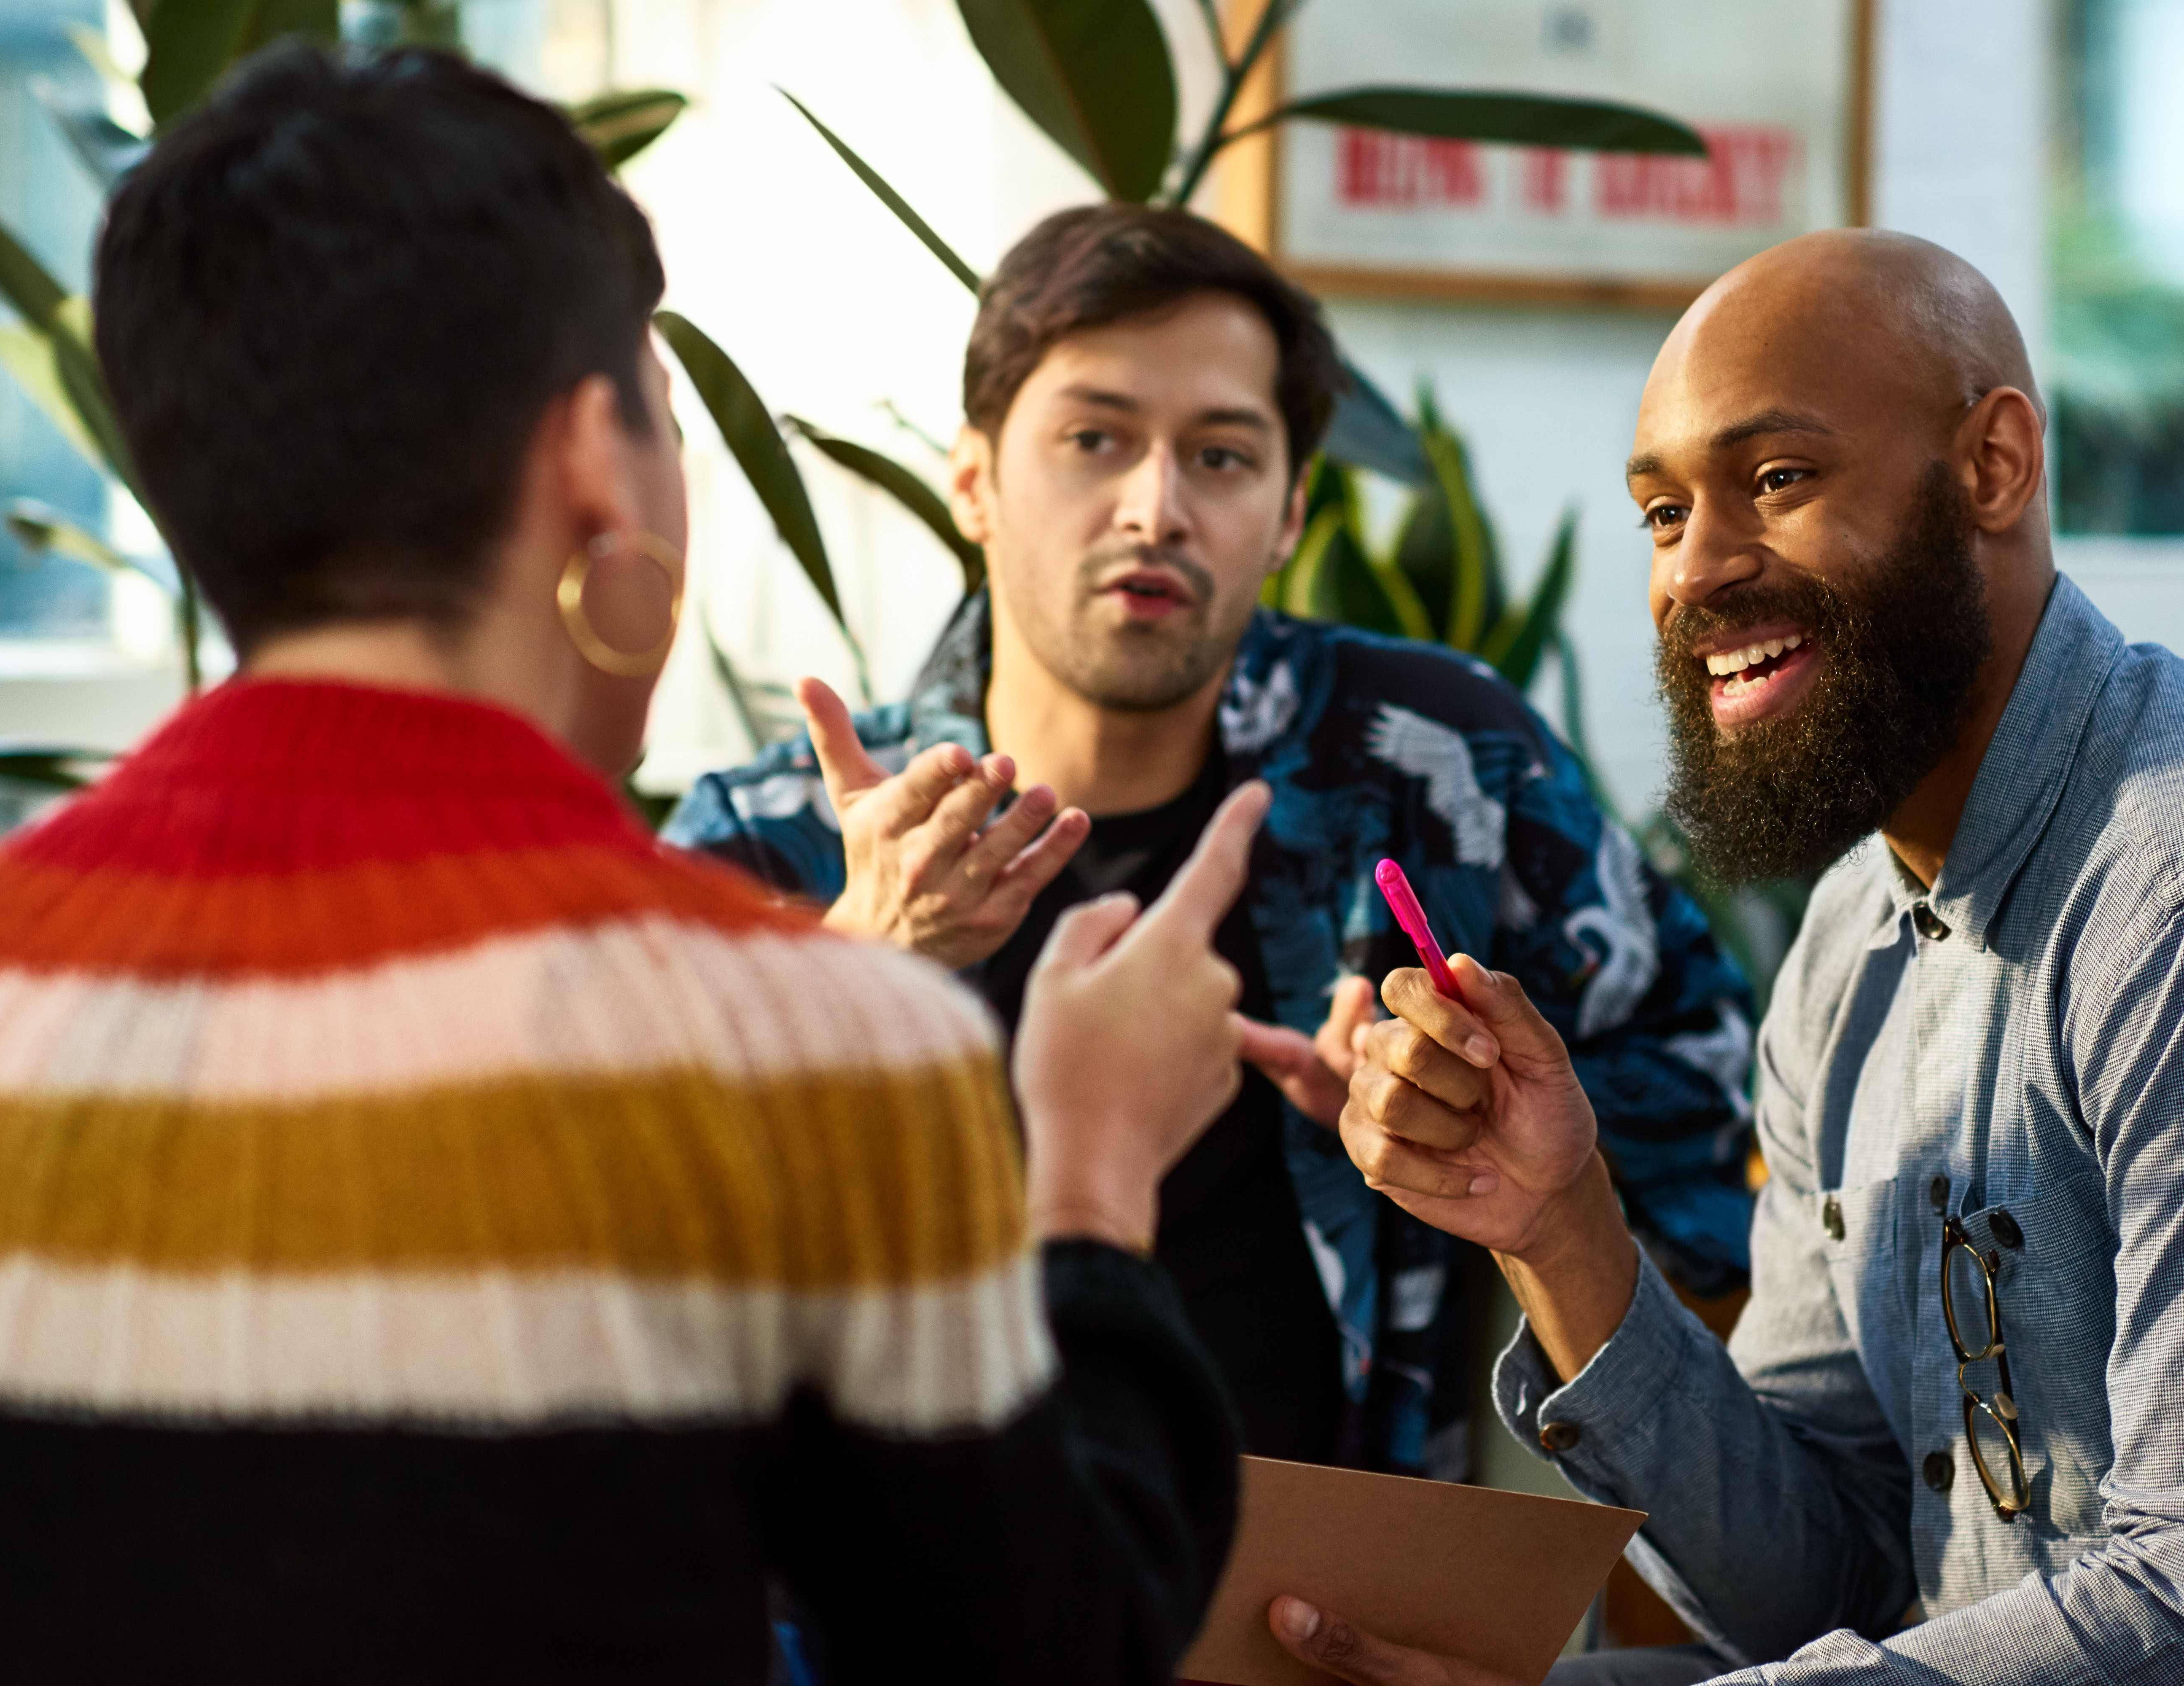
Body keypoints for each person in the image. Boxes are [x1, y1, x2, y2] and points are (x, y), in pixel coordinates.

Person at [0, 48, 1253, 1685]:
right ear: (592, 469)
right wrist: (1090, 1172)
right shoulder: (814, 1039)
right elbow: (1047, 1652)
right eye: (670, 426)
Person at [1262, 230, 2184, 1684]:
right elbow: (1831, 1584)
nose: (1697, 570)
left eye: (1776, 482)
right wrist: (1562, 1232)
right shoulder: (1848, 949)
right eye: (1663, 514)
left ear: (1993, 466)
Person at [664, 204, 1761, 1476]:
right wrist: (853, 966)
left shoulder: (1434, 764)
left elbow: (1711, 1087)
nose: (1155, 508)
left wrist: (1478, 1119)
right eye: (1094, 439)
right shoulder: (777, 839)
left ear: (1292, 511)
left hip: (1331, 1614)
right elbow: (587, 1267)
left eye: (1223, 457)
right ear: (974, 481)